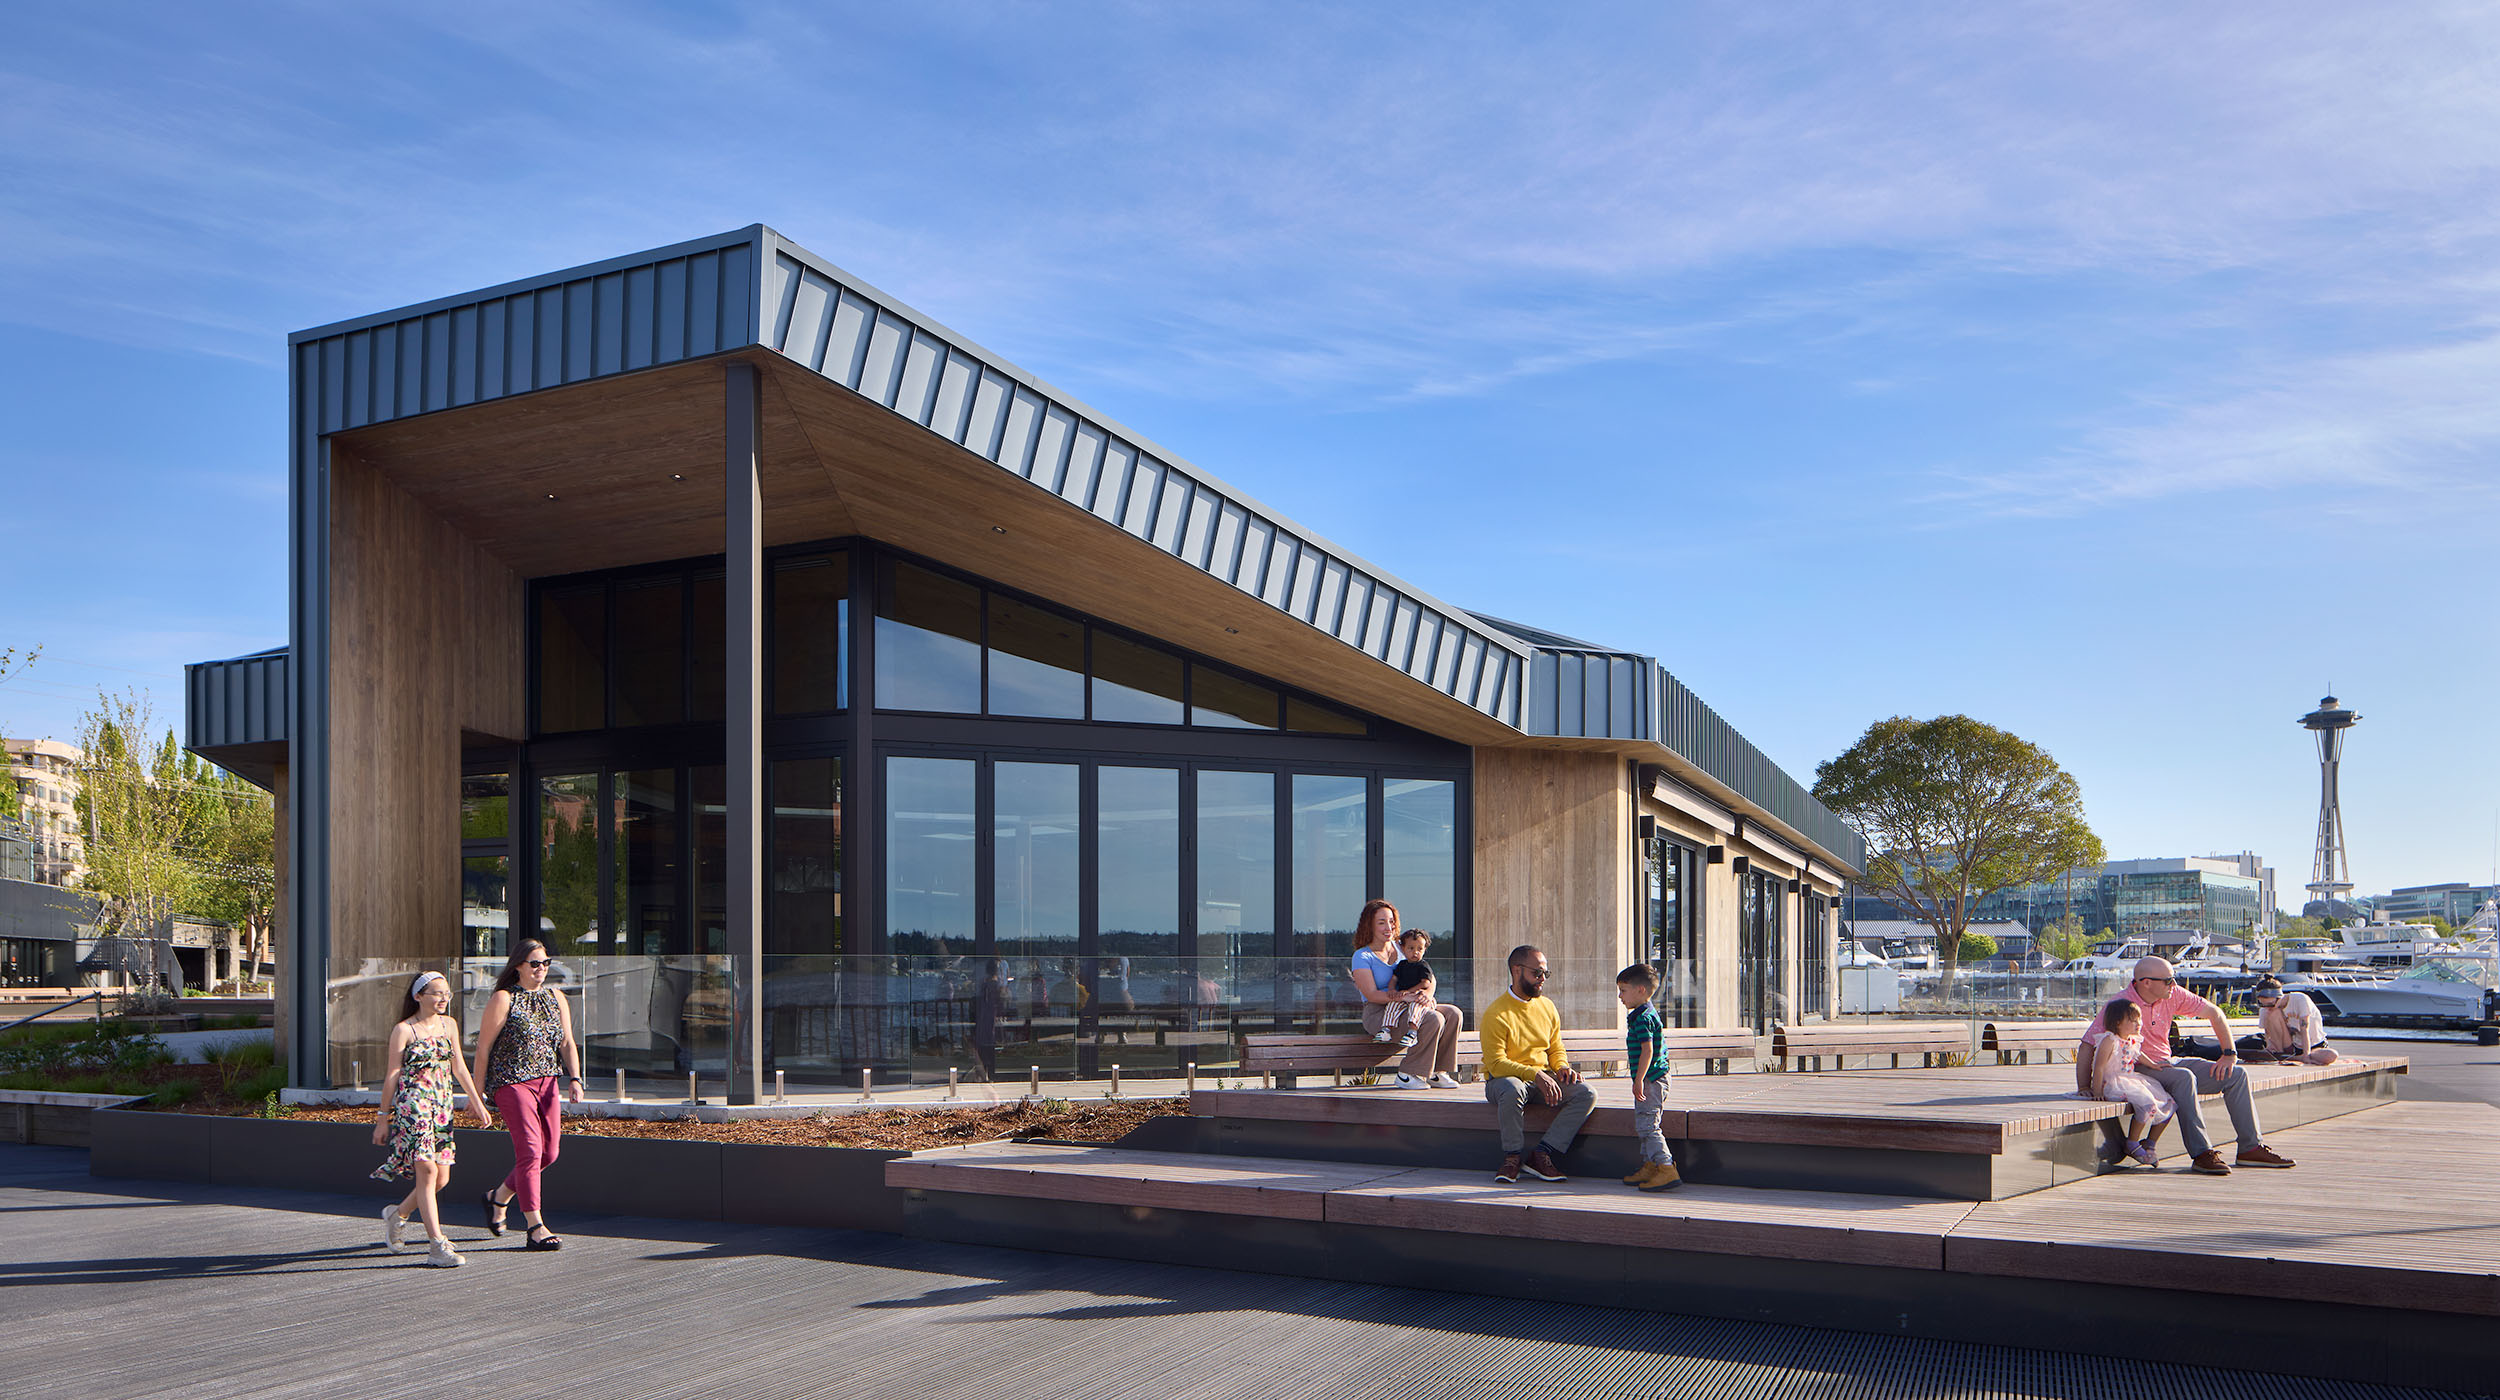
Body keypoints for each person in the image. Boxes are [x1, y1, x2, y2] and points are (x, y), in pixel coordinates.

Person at [2074, 956, 2295, 1176]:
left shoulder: (2173, 994)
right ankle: (2202, 1153)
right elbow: (2088, 1044)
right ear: (2146, 982)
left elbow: (2215, 1014)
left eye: (2174, 979)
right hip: (2137, 1068)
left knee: (2236, 1074)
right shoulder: (2121, 1006)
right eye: (2168, 980)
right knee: (2184, 1077)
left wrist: (2229, 1053)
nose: (2174, 984)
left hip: (2167, 1063)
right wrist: (2084, 1085)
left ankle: (2250, 1148)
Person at [372, 970, 490, 1267]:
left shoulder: (449, 1025)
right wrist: (382, 1118)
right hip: (414, 1106)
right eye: (437, 993)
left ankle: (397, 1214)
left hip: (442, 1106)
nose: (443, 998)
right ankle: (437, 1244)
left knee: (442, 1177)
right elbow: (392, 1075)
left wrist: (478, 1102)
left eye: (446, 993)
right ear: (418, 996)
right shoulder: (404, 1030)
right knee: (426, 1172)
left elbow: (460, 1068)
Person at [471, 940, 583, 1252]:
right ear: (518, 965)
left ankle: (498, 1197)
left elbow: (567, 1043)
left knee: (550, 1153)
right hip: (511, 1082)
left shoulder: (556, 997)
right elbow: (482, 1049)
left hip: (548, 1082)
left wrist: (575, 1078)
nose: (541, 969)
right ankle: (535, 1225)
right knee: (532, 1150)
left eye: (546, 962)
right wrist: (478, 1093)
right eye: (535, 963)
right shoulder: (504, 998)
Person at [1482, 945, 1598, 1183]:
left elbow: (1555, 1047)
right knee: (1511, 1088)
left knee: (1586, 1093)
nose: (1542, 979)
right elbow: (1496, 1064)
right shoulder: (1496, 1013)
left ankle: (1542, 1154)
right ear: (1517, 971)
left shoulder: (1547, 1006)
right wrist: (1535, 1074)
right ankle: (1512, 1157)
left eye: (1546, 973)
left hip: (1541, 1078)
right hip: (1504, 1081)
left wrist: (1562, 1067)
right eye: (1537, 973)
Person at [1345, 899, 1463, 1089]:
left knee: (1453, 1013)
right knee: (1432, 1019)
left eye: (1391, 921)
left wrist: (1427, 994)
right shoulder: (1362, 956)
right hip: (1379, 1013)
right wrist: (1403, 997)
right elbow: (1372, 994)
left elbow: (1428, 976)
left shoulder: (1402, 947)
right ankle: (1408, 1074)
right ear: (1370, 925)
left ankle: (1437, 1072)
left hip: (1411, 1004)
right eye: (1381, 922)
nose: (1388, 927)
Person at [2086, 998, 2174, 1167]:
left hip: (2131, 1079)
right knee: (2147, 1103)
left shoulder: (2132, 1040)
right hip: (2114, 1082)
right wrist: (2096, 1091)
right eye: (2133, 1020)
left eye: (2139, 1020)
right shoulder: (2109, 1040)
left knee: (2168, 1102)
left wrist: (2154, 1065)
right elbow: (2099, 1067)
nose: (2138, 1024)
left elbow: (2139, 1056)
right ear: (2118, 1022)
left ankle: (2150, 1142)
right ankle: (2132, 1143)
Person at [1615, 964, 1680, 1190]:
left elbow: (1648, 1050)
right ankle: (1651, 1165)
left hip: (1651, 1079)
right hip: (1654, 1078)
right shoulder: (1645, 1013)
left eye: (1623, 990)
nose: (1620, 996)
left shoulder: (1642, 1018)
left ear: (1640, 990)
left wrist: (1639, 1079)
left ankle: (1666, 1167)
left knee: (1649, 1126)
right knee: (1644, 1123)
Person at [2252, 977, 2338, 1065]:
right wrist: (2269, 1046)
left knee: (2331, 1055)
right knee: (2272, 1013)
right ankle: (2284, 1055)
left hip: (2313, 1044)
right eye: (2262, 1004)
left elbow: (2305, 1029)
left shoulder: (2300, 999)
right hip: (2292, 1045)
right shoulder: (2266, 1010)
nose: (2267, 1007)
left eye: (2270, 1004)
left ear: (2279, 997)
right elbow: (2267, 1032)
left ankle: (2293, 1057)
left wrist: (2306, 1055)